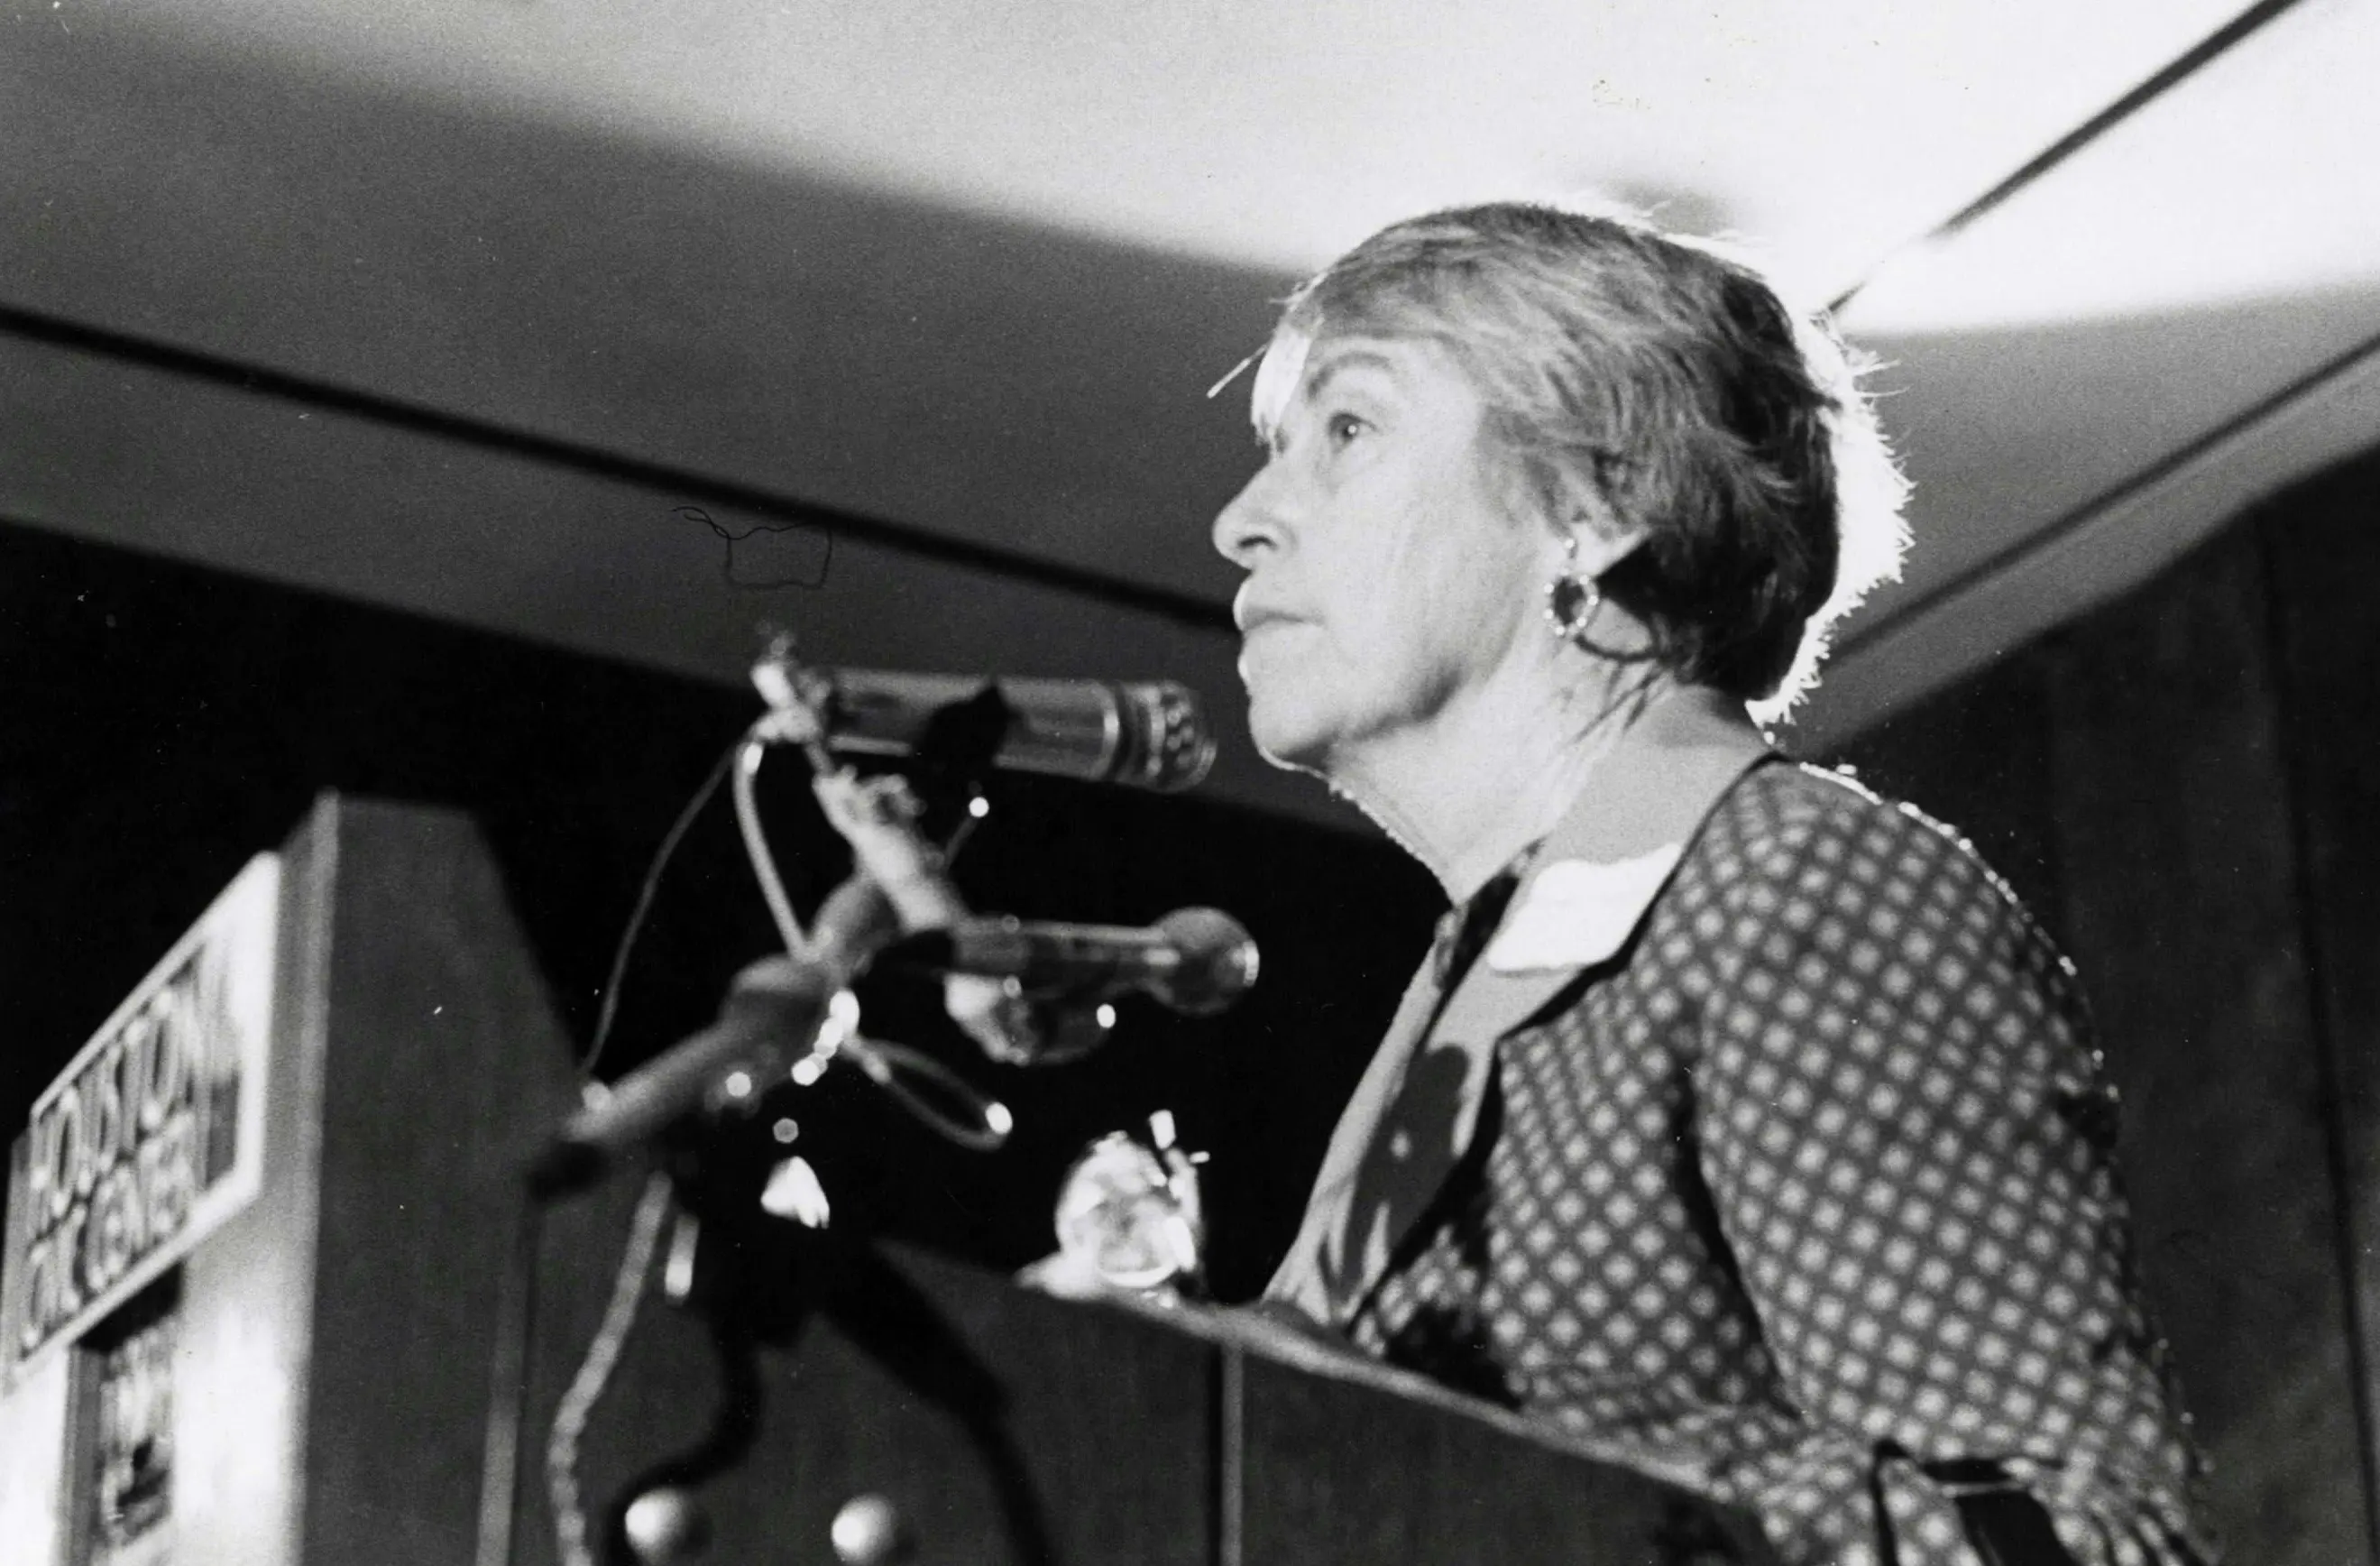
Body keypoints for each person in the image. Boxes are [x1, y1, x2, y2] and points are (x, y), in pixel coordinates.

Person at [1208, 203, 2211, 1566]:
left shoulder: (1795, 885)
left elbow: (2079, 1546)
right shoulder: (1468, 979)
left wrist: (1481, 1475)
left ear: (1593, 512)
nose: (1242, 522)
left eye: (1346, 429)